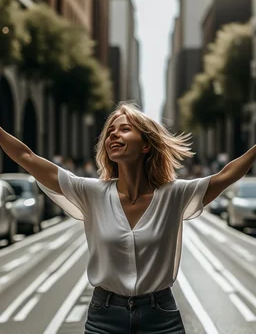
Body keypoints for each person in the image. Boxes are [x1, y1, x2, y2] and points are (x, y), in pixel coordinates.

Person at [0, 101, 254, 334]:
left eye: (124, 129)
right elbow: (27, 157)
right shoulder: (91, 192)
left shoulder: (175, 194)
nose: (113, 134)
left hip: (161, 318)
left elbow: (226, 175)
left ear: (146, 145)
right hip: (104, 318)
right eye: (110, 131)